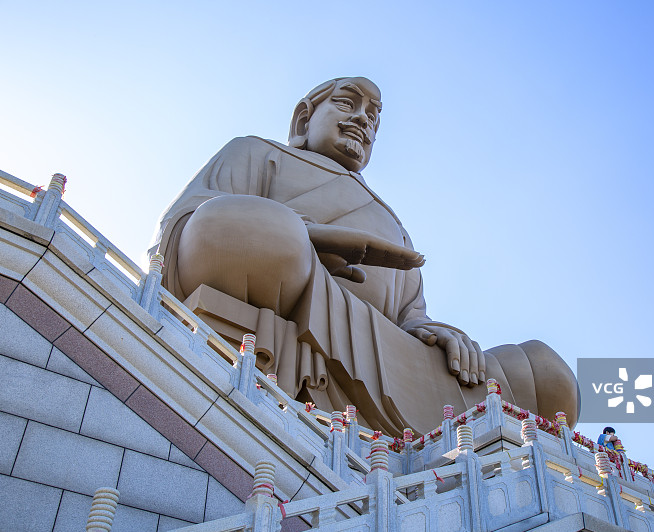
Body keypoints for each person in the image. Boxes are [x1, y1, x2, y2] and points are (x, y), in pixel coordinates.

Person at [151, 77, 580, 434]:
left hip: (383, 355)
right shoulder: (257, 153)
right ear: (304, 117)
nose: (362, 119)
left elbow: (410, 315)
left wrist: (438, 333)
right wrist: (304, 238)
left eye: (373, 116)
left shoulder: (394, 224)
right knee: (240, 227)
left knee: (542, 370)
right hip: (281, 290)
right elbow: (189, 223)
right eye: (346, 103)